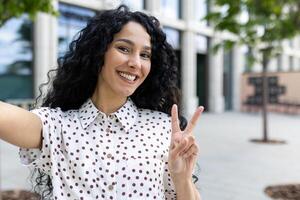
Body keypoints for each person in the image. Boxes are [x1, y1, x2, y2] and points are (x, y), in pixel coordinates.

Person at [0, 5, 203, 200]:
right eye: (124, 48)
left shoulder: (162, 129)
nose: (135, 63)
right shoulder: (58, 126)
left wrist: (182, 178)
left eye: (145, 55)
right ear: (98, 53)